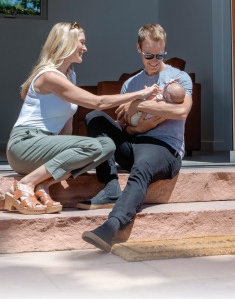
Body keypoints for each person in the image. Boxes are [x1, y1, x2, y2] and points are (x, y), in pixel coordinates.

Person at [5, 22, 160, 215]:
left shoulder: (70, 75)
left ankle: (43, 184)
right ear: (67, 43)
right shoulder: (49, 76)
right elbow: (98, 102)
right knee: (93, 146)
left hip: (45, 145)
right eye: (82, 42)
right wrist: (139, 94)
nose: (85, 48)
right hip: (25, 145)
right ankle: (26, 184)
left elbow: (66, 125)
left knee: (107, 146)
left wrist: (74, 157)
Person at [79, 23, 192, 252]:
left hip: (164, 149)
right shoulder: (131, 84)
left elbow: (181, 111)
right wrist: (139, 124)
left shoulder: (178, 79)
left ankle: (112, 225)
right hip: (135, 144)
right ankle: (111, 185)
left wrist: (138, 104)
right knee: (95, 118)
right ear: (139, 48)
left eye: (160, 55)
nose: (154, 60)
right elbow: (126, 128)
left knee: (141, 169)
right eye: (149, 55)